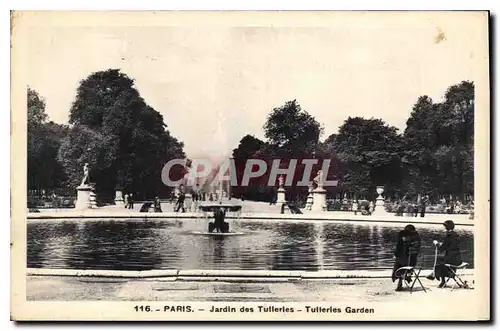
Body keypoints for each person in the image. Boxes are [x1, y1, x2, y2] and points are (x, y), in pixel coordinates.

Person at [432, 220, 463, 288]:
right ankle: (433, 274)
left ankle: (440, 280)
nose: (443, 227)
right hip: (457, 258)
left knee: (439, 263)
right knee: (441, 260)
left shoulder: (448, 235)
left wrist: (436, 244)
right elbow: (450, 245)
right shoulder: (456, 235)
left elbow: (442, 249)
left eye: (444, 226)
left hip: (451, 259)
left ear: (446, 227)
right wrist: (442, 244)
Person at [392, 224, 421, 291]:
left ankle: (400, 281)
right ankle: (407, 277)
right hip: (412, 261)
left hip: (404, 260)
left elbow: (398, 248)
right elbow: (416, 249)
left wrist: (396, 254)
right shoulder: (417, 237)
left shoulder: (403, 237)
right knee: (405, 264)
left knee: (398, 264)